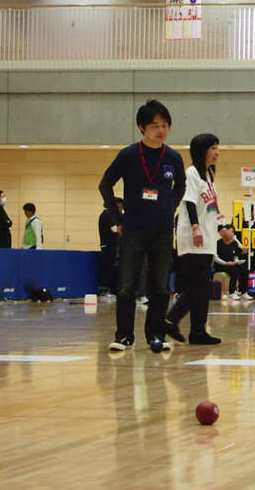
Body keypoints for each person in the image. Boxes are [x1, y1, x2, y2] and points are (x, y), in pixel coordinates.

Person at [99, 99, 186, 353]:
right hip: (133, 229)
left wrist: (171, 207)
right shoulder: (128, 155)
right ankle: (124, 336)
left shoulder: (173, 157)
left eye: (165, 125)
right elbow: (105, 185)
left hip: (162, 230)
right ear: (141, 127)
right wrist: (119, 220)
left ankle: (155, 335)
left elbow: (180, 185)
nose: (161, 130)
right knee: (126, 285)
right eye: (154, 125)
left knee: (160, 287)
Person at [164, 133, 222, 346]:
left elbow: (212, 207)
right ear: (201, 150)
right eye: (213, 148)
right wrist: (196, 227)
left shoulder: (209, 176)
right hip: (193, 236)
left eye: (217, 148)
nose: (217, 152)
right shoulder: (191, 173)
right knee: (198, 284)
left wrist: (223, 228)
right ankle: (170, 319)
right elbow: (188, 202)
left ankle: (198, 331)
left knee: (202, 286)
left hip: (207, 238)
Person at [215, 224, 251, 300]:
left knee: (244, 270)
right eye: (229, 232)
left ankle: (243, 292)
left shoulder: (234, 243)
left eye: (233, 232)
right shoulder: (219, 243)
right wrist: (225, 263)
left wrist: (237, 262)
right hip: (221, 264)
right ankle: (231, 292)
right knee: (234, 271)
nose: (231, 234)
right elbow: (215, 258)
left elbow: (235, 257)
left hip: (232, 264)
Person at [99, 198, 124, 295]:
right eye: (120, 208)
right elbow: (115, 230)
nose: (120, 210)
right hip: (109, 245)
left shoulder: (108, 215)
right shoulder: (107, 214)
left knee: (114, 268)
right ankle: (105, 290)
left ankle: (113, 290)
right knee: (110, 267)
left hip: (113, 245)